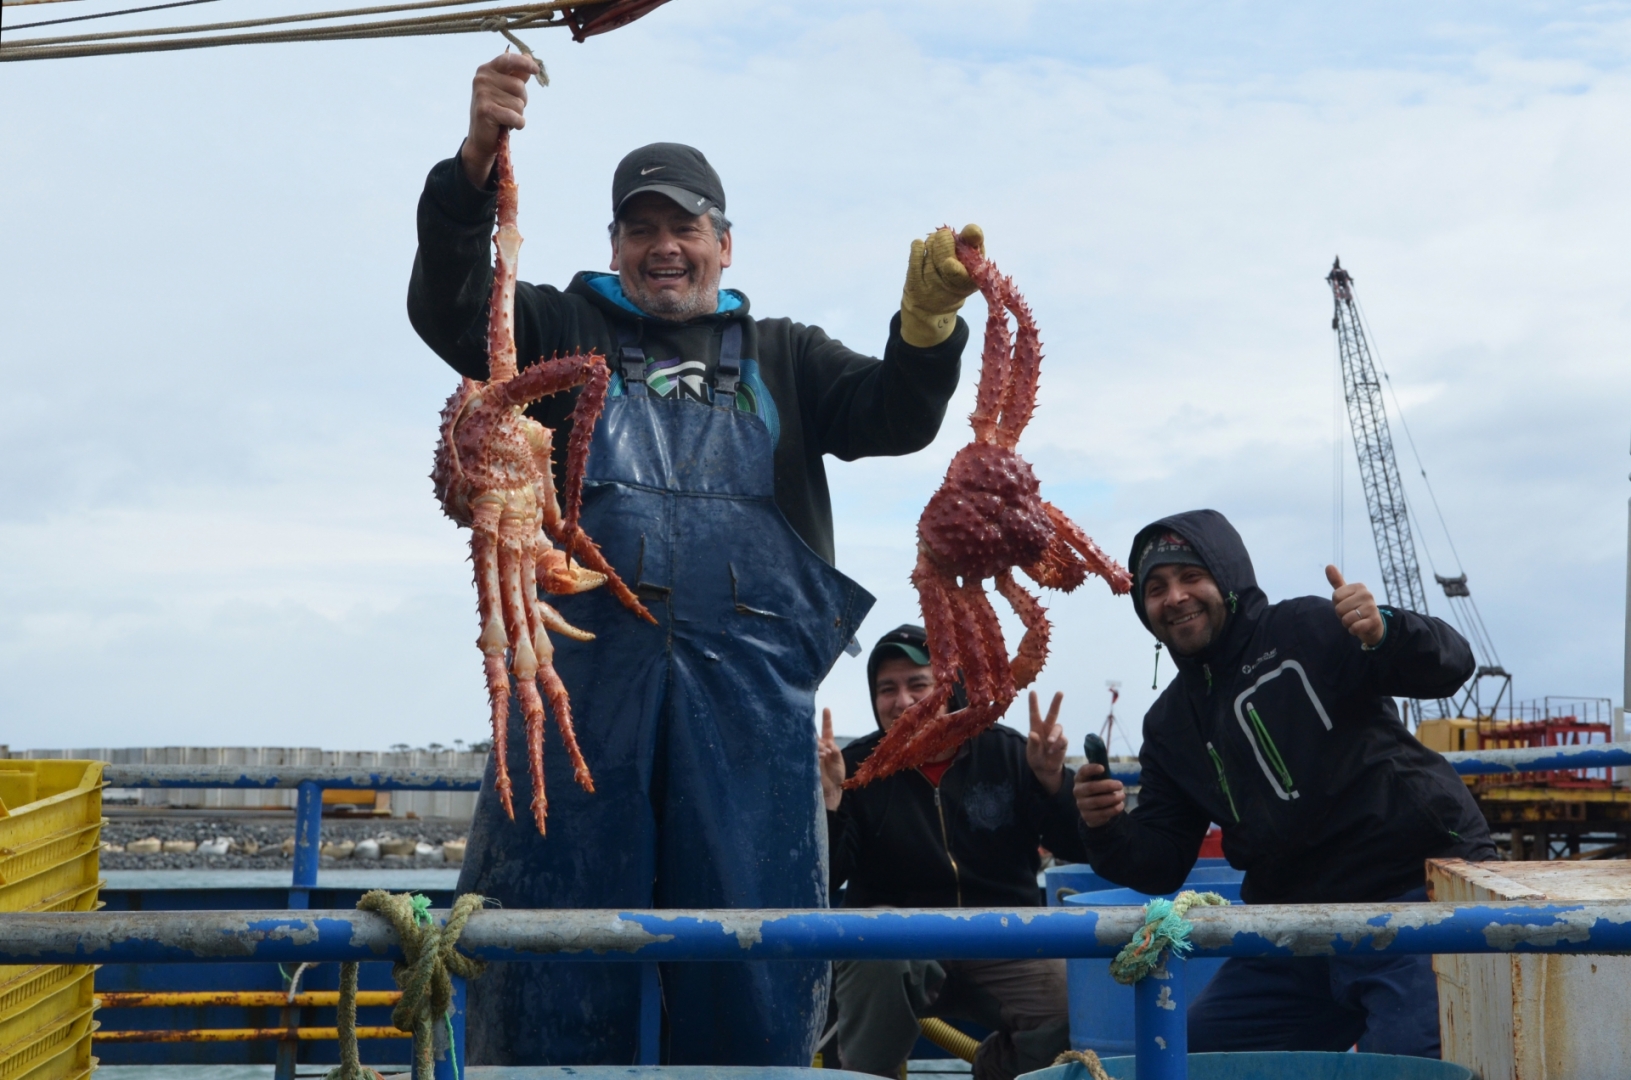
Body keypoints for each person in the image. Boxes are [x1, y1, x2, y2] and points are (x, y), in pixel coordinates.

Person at [409, 53, 985, 1068]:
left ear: (724, 242)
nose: (663, 248)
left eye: (684, 228)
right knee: (552, 960)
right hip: (574, 695)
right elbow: (454, 310)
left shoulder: (787, 356)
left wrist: (927, 330)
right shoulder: (555, 324)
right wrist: (472, 168)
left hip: (751, 719)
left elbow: (893, 419)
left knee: (750, 964)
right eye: (642, 228)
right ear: (615, 244)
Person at [1072, 510, 1496, 1057]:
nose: (1174, 597)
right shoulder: (1169, 723)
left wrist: (1387, 630)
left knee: (1410, 1063)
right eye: (1155, 588)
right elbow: (1161, 860)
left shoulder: (1308, 628)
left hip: (1413, 890)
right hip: (1291, 924)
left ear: (1227, 579)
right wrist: (1104, 827)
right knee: (1197, 1055)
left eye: (1190, 577)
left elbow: (1451, 665)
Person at [821, 625, 1087, 1080]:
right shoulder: (857, 770)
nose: (903, 701)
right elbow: (829, 877)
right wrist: (829, 805)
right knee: (875, 957)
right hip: (901, 949)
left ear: (951, 686)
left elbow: (1075, 845)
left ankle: (998, 1067)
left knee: (1074, 1000)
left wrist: (1054, 785)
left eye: (918, 684)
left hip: (1004, 938)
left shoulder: (1009, 752)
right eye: (888, 689)